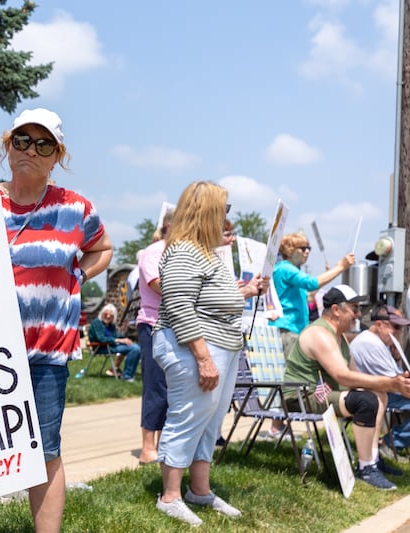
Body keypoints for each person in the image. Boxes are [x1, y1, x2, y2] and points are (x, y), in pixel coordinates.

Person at [0, 108, 113, 532]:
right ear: (8, 146)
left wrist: (77, 273)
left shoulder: (75, 207)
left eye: (43, 144)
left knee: (44, 450)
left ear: (56, 155)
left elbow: (103, 248)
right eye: (22, 140)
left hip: (45, 352)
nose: (30, 149)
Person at [153, 181, 265, 526]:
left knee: (209, 422)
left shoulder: (204, 252)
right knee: (188, 416)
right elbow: (180, 306)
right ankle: (170, 496)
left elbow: (210, 298)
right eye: (225, 209)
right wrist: (203, 357)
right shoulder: (184, 250)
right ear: (208, 212)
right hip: (195, 347)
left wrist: (244, 291)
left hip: (221, 346)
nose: (227, 217)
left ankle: (199, 491)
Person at [283, 285, 410, 490]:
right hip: (302, 396)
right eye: (354, 308)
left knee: (379, 395)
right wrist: (392, 382)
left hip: (322, 392)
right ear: (336, 310)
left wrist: (391, 384)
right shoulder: (320, 334)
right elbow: (343, 376)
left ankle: (373, 459)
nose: (359, 315)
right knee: (365, 401)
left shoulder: (339, 335)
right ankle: (366, 468)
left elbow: (355, 375)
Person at [269, 232, 355, 355]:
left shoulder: (287, 270)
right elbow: (312, 283)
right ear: (290, 251)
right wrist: (340, 267)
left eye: (308, 248)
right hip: (288, 329)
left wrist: (331, 272)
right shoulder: (286, 269)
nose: (307, 251)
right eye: (303, 248)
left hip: (293, 329)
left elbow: (310, 294)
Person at [350, 304, 410, 466]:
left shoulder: (379, 343)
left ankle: (391, 441)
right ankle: (389, 443)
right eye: (396, 327)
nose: (399, 332)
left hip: (383, 392)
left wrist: (396, 356)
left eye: (401, 328)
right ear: (379, 325)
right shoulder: (370, 343)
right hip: (373, 394)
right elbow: (398, 382)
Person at [137, 210, 174, 463]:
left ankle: (164, 444)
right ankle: (147, 446)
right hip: (153, 324)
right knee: (156, 385)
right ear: (170, 225)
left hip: (176, 326)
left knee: (172, 388)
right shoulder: (154, 252)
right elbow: (156, 283)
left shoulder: (182, 252)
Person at [88, 303, 141, 381]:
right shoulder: (97, 322)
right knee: (135, 349)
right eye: (106, 314)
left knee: (136, 347)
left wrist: (126, 339)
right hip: (102, 347)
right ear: (102, 313)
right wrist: (119, 340)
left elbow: (116, 335)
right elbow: (101, 338)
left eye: (111, 315)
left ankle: (128, 375)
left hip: (111, 346)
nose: (108, 316)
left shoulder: (111, 325)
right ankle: (127, 376)